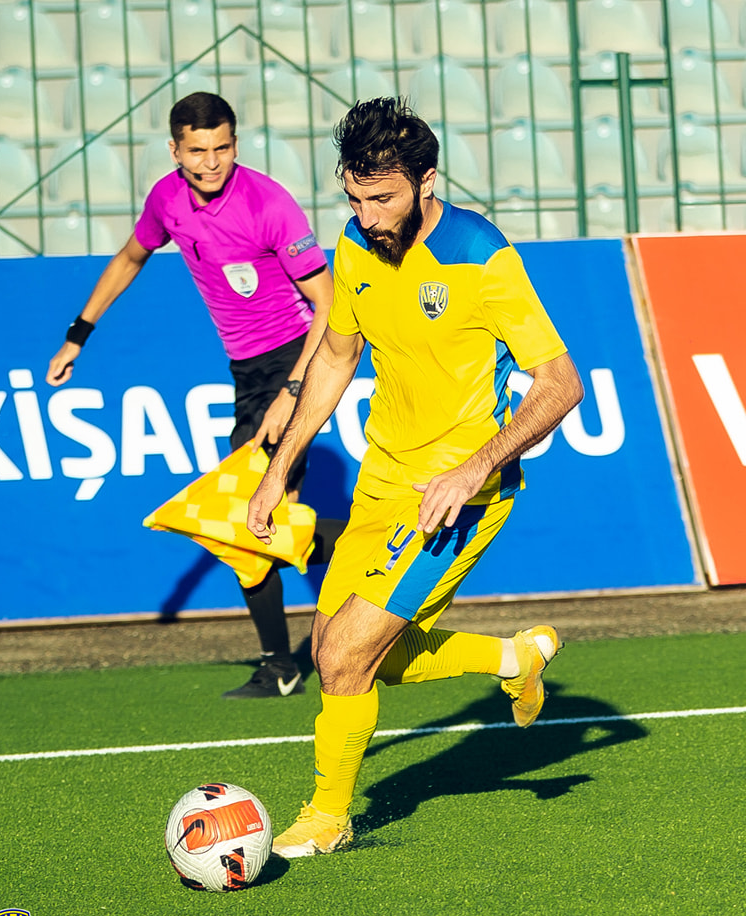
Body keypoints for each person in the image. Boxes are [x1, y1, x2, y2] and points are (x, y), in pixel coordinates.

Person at [247, 97, 585, 857]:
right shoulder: (353, 245)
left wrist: (474, 467)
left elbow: (561, 383)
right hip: (382, 481)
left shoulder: (480, 255)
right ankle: (513, 658)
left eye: (383, 199)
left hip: (457, 494)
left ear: (427, 182)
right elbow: (337, 356)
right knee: (341, 650)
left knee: (344, 657)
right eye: (354, 198)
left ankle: (328, 817)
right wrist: (279, 468)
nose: (366, 217)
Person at [45, 91, 341, 699]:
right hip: (246, 371)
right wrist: (78, 334)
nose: (211, 162)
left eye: (222, 148)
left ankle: (281, 664)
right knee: (266, 520)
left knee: (246, 515)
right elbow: (130, 257)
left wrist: (292, 390)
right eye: (198, 151)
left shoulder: (269, 204)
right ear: (175, 150)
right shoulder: (166, 199)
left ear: (235, 144)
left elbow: (329, 304)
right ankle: (379, 541)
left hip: (295, 358)